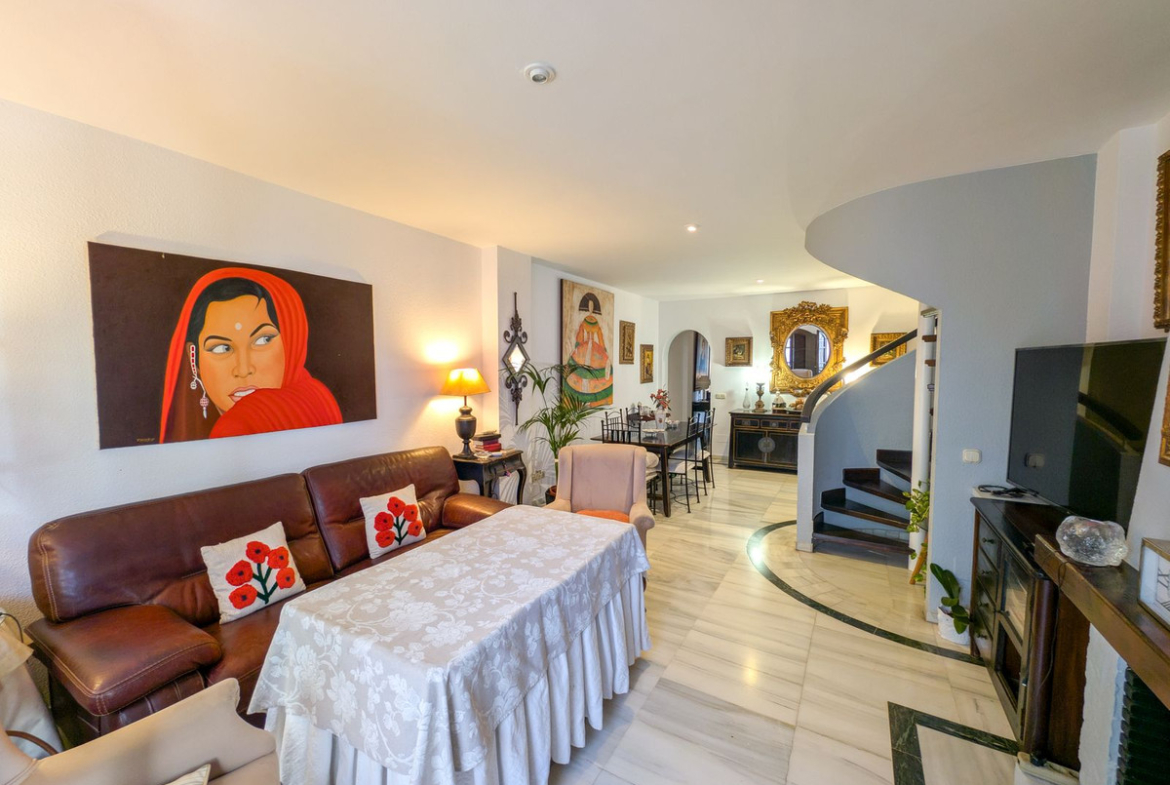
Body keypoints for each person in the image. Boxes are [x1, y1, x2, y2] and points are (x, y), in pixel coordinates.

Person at [158, 267, 342, 442]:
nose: (243, 369)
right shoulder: (319, 397)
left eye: (262, 340)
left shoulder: (238, 425)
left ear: (291, 342)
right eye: (222, 349)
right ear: (193, 357)